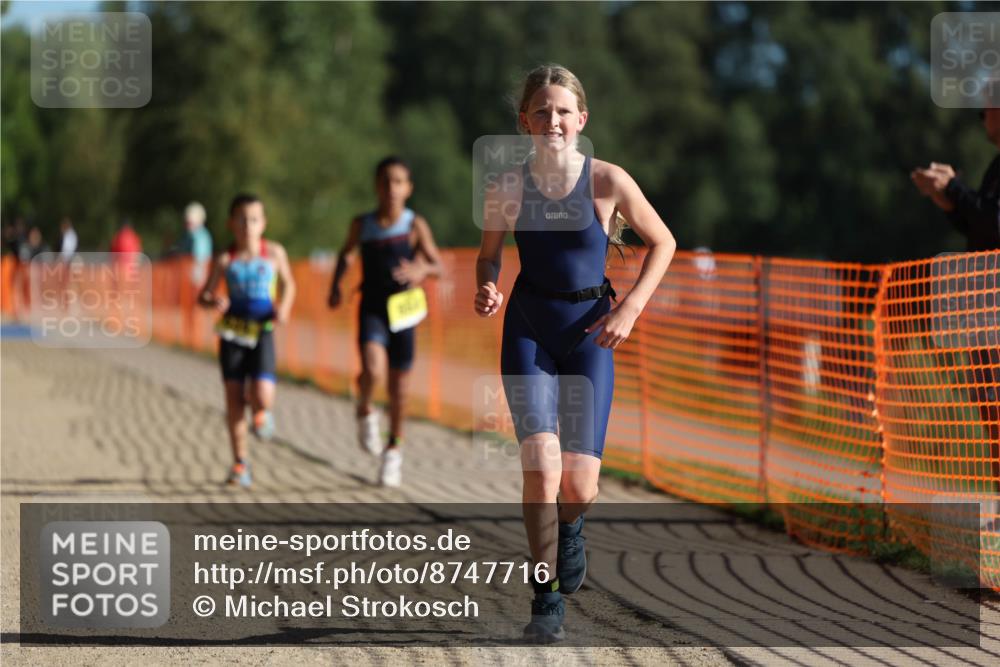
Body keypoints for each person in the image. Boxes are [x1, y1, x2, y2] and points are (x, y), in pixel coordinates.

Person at [474, 65, 676, 642]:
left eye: (563, 110)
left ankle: (571, 528)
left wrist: (631, 307)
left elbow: (664, 242)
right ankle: (546, 599)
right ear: (525, 122)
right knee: (541, 465)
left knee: (579, 486)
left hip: (591, 332)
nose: (553, 120)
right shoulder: (507, 188)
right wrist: (486, 284)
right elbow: (489, 256)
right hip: (530, 328)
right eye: (542, 111)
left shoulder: (607, 181)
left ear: (581, 120)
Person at [327, 156, 443, 487]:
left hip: (404, 310)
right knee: (372, 370)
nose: (391, 188)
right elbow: (347, 253)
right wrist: (337, 283)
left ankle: (393, 451)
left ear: (408, 188)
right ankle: (364, 409)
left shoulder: (413, 225)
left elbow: (438, 266)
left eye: (398, 182)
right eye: (385, 181)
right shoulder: (362, 224)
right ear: (377, 186)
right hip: (373, 308)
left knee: (399, 388)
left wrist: (422, 270)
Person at [911, 108, 1000, 525]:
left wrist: (957, 188)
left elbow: (994, 221)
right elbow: (982, 228)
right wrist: (945, 196)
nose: (983, 118)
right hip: (989, 316)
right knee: (991, 413)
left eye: (987, 110)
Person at [198, 194, 296, 488]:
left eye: (253, 219)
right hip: (233, 332)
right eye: (241, 219)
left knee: (262, 394)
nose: (247, 225)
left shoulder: (275, 254)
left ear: (263, 223)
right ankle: (240, 463)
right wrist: (214, 300)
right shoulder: (225, 259)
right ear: (231, 223)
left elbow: (289, 283)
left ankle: (263, 411)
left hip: (263, 329)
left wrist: (285, 307)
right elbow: (203, 295)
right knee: (233, 398)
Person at [181, 201, 213, 284]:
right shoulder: (189, 235)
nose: (187, 226)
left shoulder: (200, 237)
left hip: (195, 280)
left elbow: (199, 261)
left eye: (190, 223)